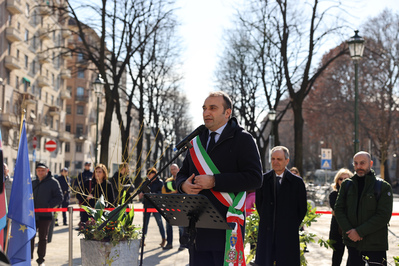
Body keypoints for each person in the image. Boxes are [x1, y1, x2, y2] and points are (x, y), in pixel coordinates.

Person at [176, 91, 263, 266]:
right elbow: (182, 174)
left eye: (213, 108)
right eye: (204, 108)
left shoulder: (243, 139)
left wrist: (215, 181)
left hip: (225, 227)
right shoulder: (197, 141)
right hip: (197, 228)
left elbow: (255, 178)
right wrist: (183, 185)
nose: (206, 113)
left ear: (227, 112)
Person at [334, 151, 393, 266]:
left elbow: (383, 216)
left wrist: (359, 232)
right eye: (356, 163)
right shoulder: (346, 185)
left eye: (362, 163)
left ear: (370, 163)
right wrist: (350, 232)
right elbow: (339, 209)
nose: (359, 167)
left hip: (375, 245)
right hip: (353, 244)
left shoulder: (383, 187)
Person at [255, 146, 307, 266]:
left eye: (279, 159)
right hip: (267, 232)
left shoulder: (297, 183)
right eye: (273, 159)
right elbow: (259, 205)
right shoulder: (263, 180)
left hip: (287, 233)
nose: (275, 162)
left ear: (287, 161)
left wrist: (290, 224)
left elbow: (302, 208)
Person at [31, 163, 63, 266]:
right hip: (32, 215)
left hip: (46, 215)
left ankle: (41, 259)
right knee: (30, 237)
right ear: (36, 171)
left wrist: (48, 206)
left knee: (43, 238)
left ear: (47, 170)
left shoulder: (53, 182)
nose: (40, 172)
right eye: (38, 170)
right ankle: (29, 257)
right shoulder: (33, 183)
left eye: (42, 170)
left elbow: (59, 197)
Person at [329, 168, 353, 266]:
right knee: (337, 257)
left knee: (353, 257)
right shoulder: (333, 195)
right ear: (337, 180)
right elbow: (338, 211)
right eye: (341, 179)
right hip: (337, 230)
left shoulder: (355, 195)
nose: (343, 181)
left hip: (352, 230)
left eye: (346, 179)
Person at [161, 164, 187, 251]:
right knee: (168, 226)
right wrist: (174, 191)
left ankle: (182, 244)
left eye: (175, 169)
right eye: (171, 169)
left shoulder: (183, 180)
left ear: (178, 169)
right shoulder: (168, 181)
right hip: (170, 206)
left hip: (181, 206)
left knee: (181, 227)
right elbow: (164, 192)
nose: (173, 171)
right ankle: (169, 243)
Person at [139, 167, 166, 247]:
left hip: (156, 205)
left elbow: (161, 192)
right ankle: (143, 240)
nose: (149, 176)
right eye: (148, 174)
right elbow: (142, 190)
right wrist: (141, 194)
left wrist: (153, 194)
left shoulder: (160, 182)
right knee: (145, 223)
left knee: (159, 222)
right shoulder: (146, 182)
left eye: (151, 174)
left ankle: (164, 238)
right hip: (147, 204)